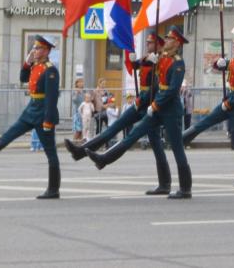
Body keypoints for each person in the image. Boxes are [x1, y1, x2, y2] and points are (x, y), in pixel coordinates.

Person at [86, 26, 192, 199]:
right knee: (133, 135)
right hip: (157, 108)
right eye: (166, 38)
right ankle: (104, 159)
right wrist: (138, 61)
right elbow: (150, 75)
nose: (166, 41)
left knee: (177, 148)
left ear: (177, 43)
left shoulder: (178, 63)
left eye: (170, 39)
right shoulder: (162, 58)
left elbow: (172, 90)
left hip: (170, 110)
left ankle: (185, 188)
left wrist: (155, 104)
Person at [65, 33, 172, 195]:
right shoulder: (149, 59)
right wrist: (134, 59)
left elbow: (156, 87)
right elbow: (137, 67)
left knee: (149, 143)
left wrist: (152, 69)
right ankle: (80, 151)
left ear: (158, 45)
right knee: (113, 128)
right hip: (141, 104)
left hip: (150, 106)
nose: (148, 45)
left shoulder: (162, 62)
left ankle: (164, 184)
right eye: (147, 42)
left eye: (150, 43)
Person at [0, 35, 61, 199]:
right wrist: (27, 63)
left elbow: (52, 97)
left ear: (47, 50)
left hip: (43, 114)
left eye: (38, 48)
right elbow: (22, 78)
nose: (34, 51)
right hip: (31, 110)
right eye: (34, 48)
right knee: (8, 136)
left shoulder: (51, 70)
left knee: (51, 152)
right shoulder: (35, 66)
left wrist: (48, 121)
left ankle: (53, 189)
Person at [182, 32, 234, 186]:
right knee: (208, 120)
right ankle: (184, 138)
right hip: (229, 101)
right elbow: (219, 66)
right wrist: (219, 63)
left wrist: (230, 103)